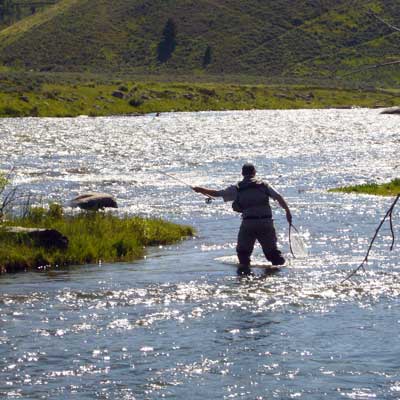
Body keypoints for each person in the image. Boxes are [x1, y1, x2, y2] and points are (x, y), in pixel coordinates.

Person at [192, 163, 292, 274]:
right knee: (273, 254)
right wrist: (287, 211)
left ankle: (245, 279)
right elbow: (278, 197)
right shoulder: (264, 185)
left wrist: (200, 189)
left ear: (242, 173)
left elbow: (217, 193)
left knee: (243, 254)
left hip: (248, 223)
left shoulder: (237, 188)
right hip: (266, 222)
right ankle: (280, 274)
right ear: (254, 172)